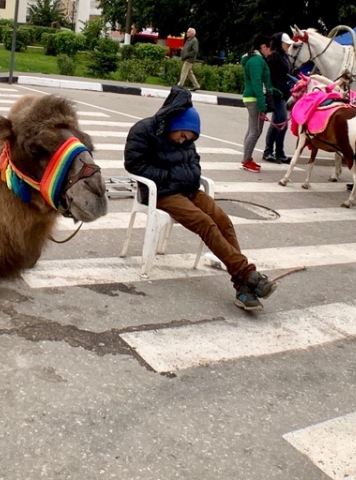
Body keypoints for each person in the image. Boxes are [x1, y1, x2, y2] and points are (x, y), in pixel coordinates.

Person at [124, 87, 277, 312]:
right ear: (175, 125)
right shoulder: (143, 131)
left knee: (222, 220)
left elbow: (195, 164)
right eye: (183, 135)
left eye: (190, 139)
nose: (183, 141)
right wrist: (170, 176)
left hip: (189, 190)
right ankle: (247, 274)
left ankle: (243, 288)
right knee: (204, 222)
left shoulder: (187, 140)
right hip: (162, 193)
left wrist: (188, 174)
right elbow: (135, 165)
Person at [239, 36, 273, 172]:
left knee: (251, 130)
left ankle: (247, 158)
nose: (271, 51)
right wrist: (262, 104)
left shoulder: (253, 59)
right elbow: (257, 83)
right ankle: (246, 160)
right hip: (254, 98)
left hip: (251, 97)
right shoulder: (256, 61)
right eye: (271, 47)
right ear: (264, 46)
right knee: (255, 131)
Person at [263, 32, 293, 164]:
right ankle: (275, 152)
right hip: (277, 94)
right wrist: (280, 89)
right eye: (286, 43)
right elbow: (273, 76)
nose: (288, 45)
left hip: (285, 93)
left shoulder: (284, 56)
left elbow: (287, 74)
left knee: (278, 122)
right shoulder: (274, 56)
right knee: (281, 124)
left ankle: (271, 151)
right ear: (280, 43)